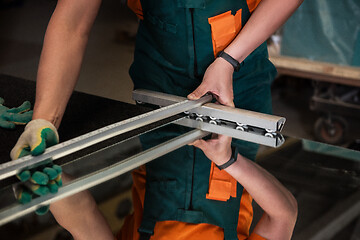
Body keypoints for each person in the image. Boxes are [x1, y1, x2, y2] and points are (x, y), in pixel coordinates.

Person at [10, 0, 303, 239]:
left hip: (232, 73)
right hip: (190, 100)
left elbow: (83, 218)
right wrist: (229, 161)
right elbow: (284, 214)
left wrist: (47, 179)